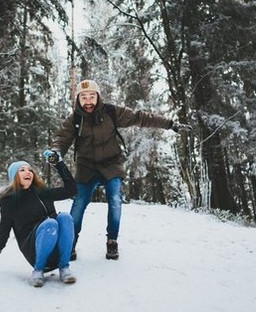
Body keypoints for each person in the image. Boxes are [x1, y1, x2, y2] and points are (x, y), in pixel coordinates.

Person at [50, 79, 187, 261]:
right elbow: (62, 140)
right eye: (84, 97)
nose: (88, 101)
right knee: (79, 204)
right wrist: (55, 152)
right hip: (86, 167)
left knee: (115, 199)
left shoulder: (111, 112)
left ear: (98, 97)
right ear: (78, 99)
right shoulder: (74, 119)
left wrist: (170, 124)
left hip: (111, 165)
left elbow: (140, 117)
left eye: (92, 96)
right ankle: (71, 243)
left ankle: (112, 241)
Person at [0, 151, 77, 287]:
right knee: (50, 223)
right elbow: (2, 235)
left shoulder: (42, 192)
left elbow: (72, 190)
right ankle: (38, 271)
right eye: (22, 170)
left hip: (57, 249)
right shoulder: (9, 201)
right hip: (34, 251)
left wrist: (59, 164)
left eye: (30, 170)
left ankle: (64, 268)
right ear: (14, 176)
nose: (28, 172)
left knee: (65, 217)